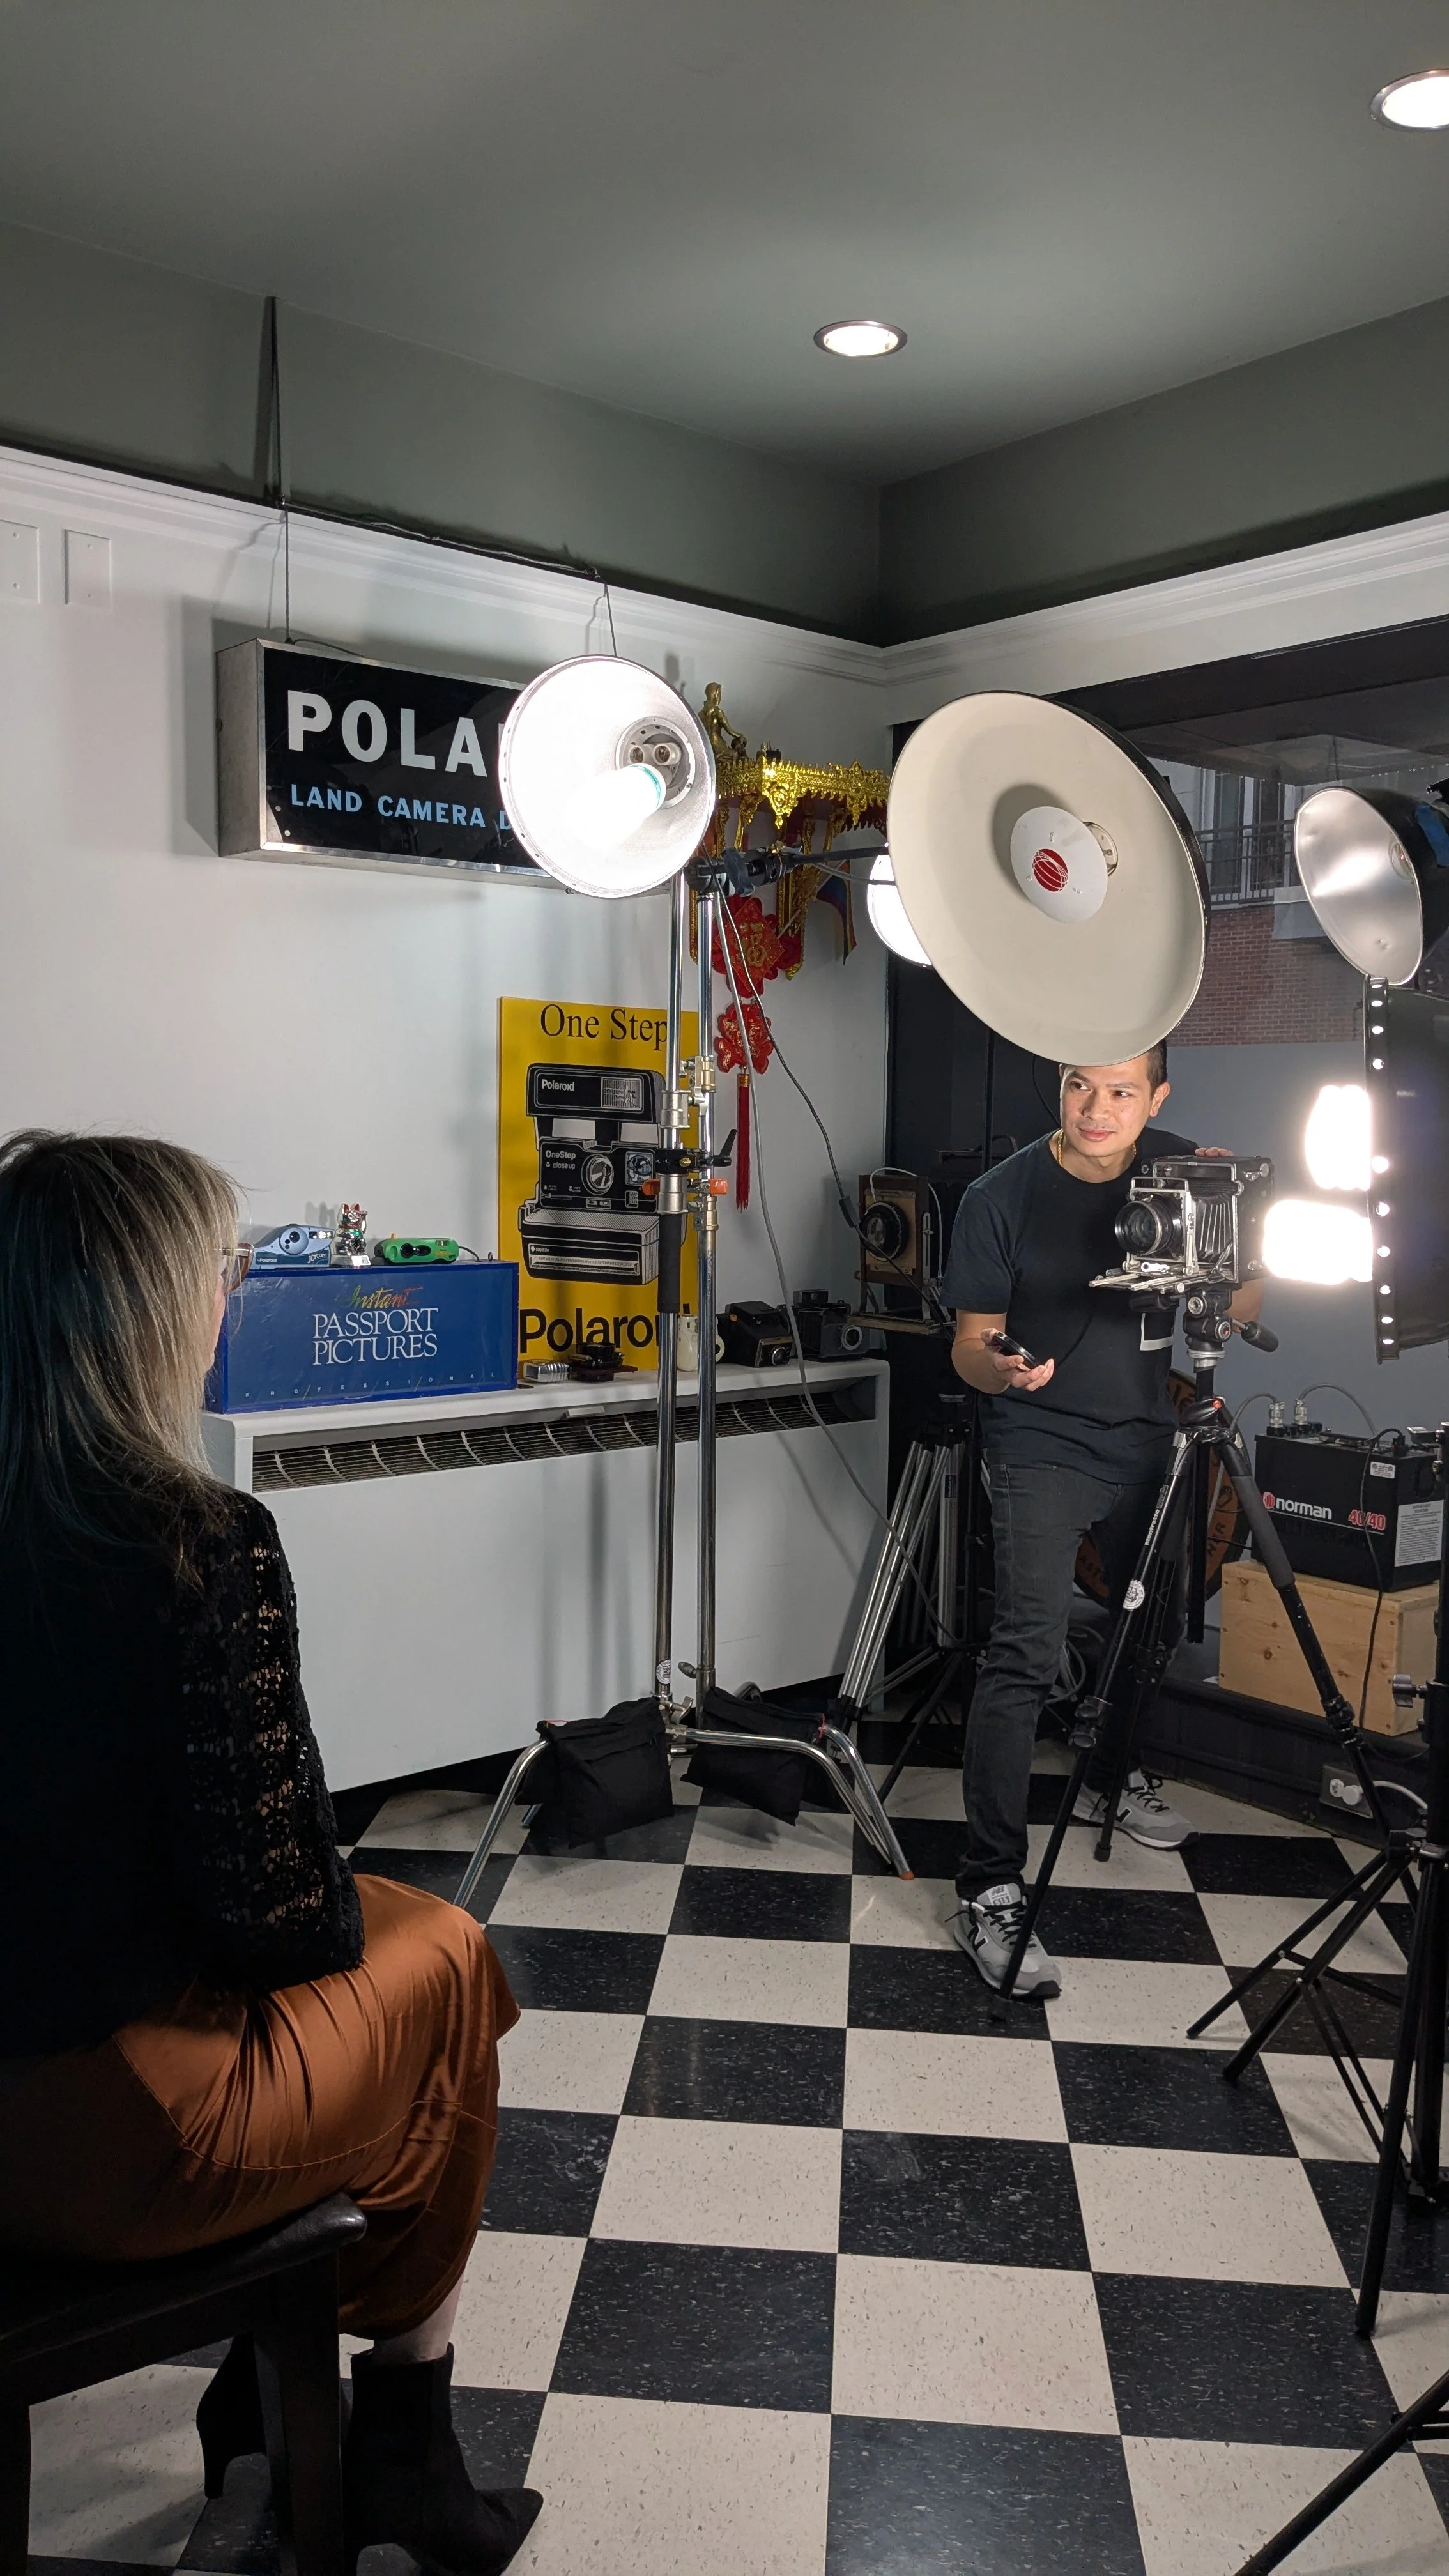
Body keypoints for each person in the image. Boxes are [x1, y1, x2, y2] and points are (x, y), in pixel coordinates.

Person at [0, 1130, 541, 2576]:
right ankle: (402, 2435)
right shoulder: (191, 1541)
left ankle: (271, 2404)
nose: (231, 1301)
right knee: (450, 1972)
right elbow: (284, 1920)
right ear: (151, 1312)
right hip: (98, 2126)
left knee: (411, 1957)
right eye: (219, 1275)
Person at [943, 1048, 1263, 1998]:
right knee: (1028, 1649)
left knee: (1153, 1621)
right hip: (1041, 1436)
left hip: (1157, 1431)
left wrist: (1233, 1233)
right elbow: (967, 1344)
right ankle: (992, 1883)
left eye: (1122, 1091)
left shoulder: (1187, 1167)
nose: (1097, 1108)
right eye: (1079, 1085)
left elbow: (1244, 1306)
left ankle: (1112, 1776)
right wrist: (997, 1365)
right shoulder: (1001, 1197)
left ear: (1155, 1097)